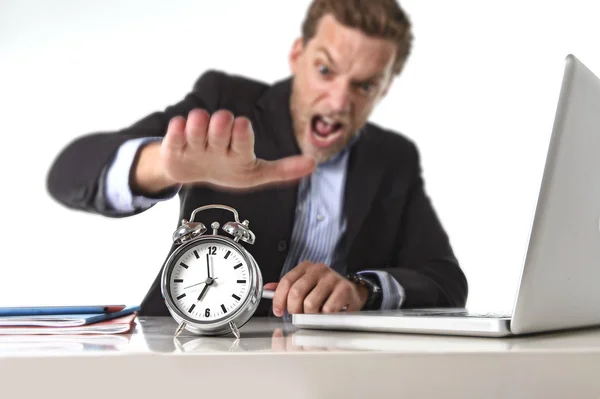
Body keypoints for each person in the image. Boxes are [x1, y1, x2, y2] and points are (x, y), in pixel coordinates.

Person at [46, 0, 468, 318]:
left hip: (326, 371)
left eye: (364, 86)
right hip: (190, 354)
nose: (339, 101)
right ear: (297, 55)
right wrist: (163, 165)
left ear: (385, 89)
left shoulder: (392, 158)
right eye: (325, 70)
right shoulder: (227, 103)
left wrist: (362, 290)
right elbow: (69, 172)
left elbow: (445, 280)